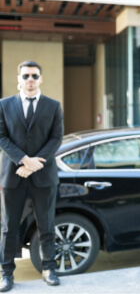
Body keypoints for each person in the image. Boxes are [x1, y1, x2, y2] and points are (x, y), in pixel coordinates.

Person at [0, 61, 64, 292]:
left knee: (46, 224)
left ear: (40, 79)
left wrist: (34, 164)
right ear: (18, 78)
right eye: (25, 75)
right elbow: (2, 137)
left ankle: (49, 268)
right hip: (13, 174)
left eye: (34, 76)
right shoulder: (4, 105)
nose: (30, 79)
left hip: (43, 175)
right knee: (9, 227)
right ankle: (6, 273)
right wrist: (24, 160)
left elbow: (56, 139)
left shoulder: (53, 106)